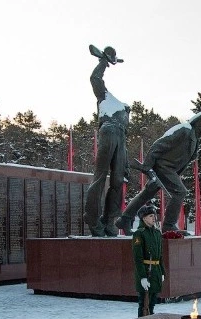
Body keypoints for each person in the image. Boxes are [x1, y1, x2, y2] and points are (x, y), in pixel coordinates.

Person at [116, 111, 201, 234]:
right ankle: (169, 226)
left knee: (147, 194)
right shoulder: (184, 130)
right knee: (180, 192)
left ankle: (124, 219)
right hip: (163, 167)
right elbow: (159, 144)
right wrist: (147, 165)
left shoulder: (195, 139)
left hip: (169, 170)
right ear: (199, 124)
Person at [84, 46, 130, 237]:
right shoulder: (106, 97)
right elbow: (95, 79)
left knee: (119, 179)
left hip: (120, 137)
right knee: (100, 176)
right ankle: (93, 219)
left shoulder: (122, 108)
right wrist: (103, 61)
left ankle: (109, 220)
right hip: (109, 130)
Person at [132, 205, 165, 317]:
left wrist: (162, 272)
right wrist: (142, 277)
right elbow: (138, 257)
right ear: (144, 218)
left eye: (154, 215)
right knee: (144, 304)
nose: (154, 218)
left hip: (155, 271)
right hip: (146, 271)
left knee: (152, 303)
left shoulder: (156, 233)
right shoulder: (139, 233)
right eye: (151, 216)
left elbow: (159, 255)